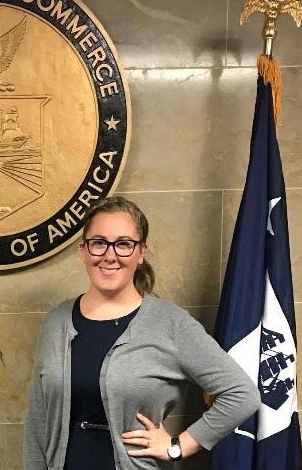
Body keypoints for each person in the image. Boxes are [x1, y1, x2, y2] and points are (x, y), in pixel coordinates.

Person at [23, 196, 260, 470]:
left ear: (141, 252)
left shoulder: (171, 324)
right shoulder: (56, 321)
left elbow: (242, 394)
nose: (109, 255)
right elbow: (38, 418)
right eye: (98, 242)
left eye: (124, 244)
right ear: (83, 250)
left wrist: (178, 446)